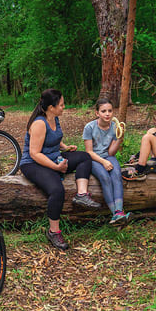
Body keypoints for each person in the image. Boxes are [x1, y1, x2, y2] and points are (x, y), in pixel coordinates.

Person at [20, 88, 101, 250]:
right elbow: (35, 153)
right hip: (33, 164)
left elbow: (54, 138)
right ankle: (53, 231)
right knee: (57, 190)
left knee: (85, 157)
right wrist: (56, 167)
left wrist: (65, 147)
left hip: (53, 157)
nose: (64, 107)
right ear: (51, 107)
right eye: (61, 105)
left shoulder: (54, 118)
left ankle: (82, 194)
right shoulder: (39, 124)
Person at [82, 98, 131, 225]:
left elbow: (111, 153)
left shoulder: (115, 127)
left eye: (110, 110)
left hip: (107, 156)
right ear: (97, 113)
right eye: (103, 111)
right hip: (93, 158)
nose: (107, 114)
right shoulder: (90, 127)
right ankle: (114, 213)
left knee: (116, 175)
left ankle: (119, 211)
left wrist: (119, 139)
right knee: (105, 177)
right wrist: (103, 162)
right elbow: (89, 152)